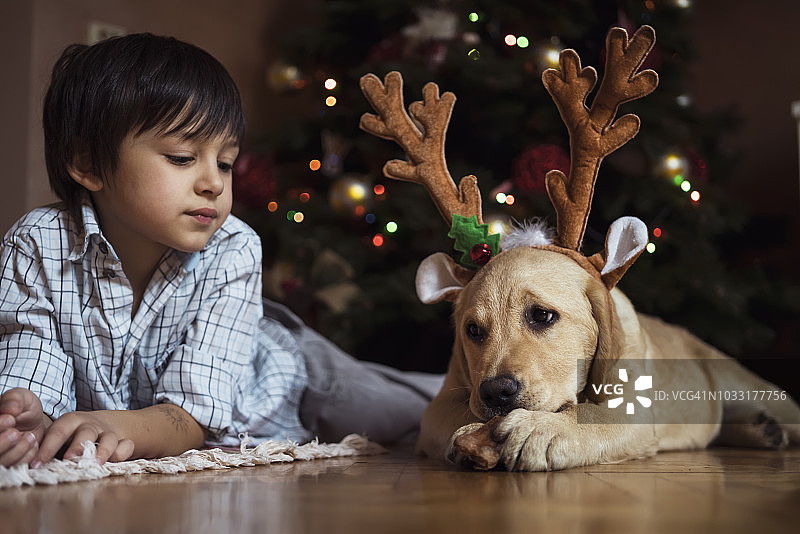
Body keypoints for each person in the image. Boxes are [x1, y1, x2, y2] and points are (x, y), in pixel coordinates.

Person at [0, 33, 442, 469]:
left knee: (426, 411)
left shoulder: (233, 245)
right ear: (89, 165)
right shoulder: (36, 245)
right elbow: (29, 366)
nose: (214, 182)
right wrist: (26, 417)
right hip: (239, 389)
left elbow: (193, 417)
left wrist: (110, 423)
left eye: (225, 163)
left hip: (299, 377)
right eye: (181, 157)